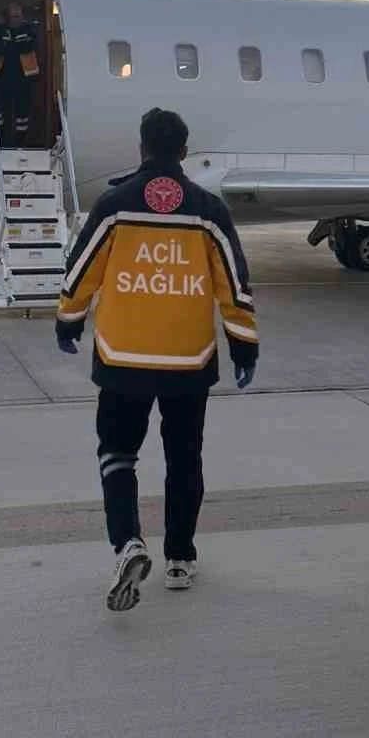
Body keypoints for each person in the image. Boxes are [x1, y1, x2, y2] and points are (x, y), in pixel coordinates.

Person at [55, 108, 258, 612]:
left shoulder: (116, 204)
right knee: (184, 459)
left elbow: (83, 271)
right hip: (188, 363)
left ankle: (128, 542)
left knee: (117, 454)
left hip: (123, 359)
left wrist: (68, 320)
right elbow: (233, 286)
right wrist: (243, 346)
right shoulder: (208, 209)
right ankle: (180, 559)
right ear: (184, 153)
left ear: (142, 148)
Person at [0, 2, 41, 147]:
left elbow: (29, 47)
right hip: (2, 78)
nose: (14, 19)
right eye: (11, 16)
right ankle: (0, 141)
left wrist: (10, 44)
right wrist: (15, 43)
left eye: (17, 16)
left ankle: (20, 142)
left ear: (22, 16)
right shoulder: (0, 30)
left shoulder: (30, 30)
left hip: (24, 79)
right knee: (0, 112)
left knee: (22, 114)